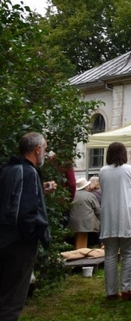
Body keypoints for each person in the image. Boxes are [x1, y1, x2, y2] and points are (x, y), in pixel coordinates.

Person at [0, 132, 57, 321]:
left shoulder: (8, 169)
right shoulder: (29, 172)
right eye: (45, 149)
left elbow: (12, 201)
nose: (45, 154)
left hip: (5, 240)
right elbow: (24, 213)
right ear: (37, 149)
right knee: (12, 302)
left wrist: (40, 191)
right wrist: (32, 236)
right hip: (19, 244)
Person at [99, 142, 131, 301]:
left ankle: (111, 291)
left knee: (110, 254)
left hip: (109, 217)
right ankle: (126, 289)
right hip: (128, 217)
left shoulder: (103, 171)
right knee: (128, 254)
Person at [67, 177, 101, 249]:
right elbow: (98, 211)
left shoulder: (72, 195)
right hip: (88, 225)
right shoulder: (90, 195)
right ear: (86, 186)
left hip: (72, 223)